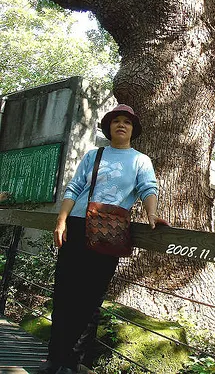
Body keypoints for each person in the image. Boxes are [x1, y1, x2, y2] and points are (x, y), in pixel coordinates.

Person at [38, 104, 168, 374]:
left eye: (127, 122)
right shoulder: (94, 155)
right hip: (76, 225)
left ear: (133, 129)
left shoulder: (140, 160)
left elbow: (148, 188)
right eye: (116, 121)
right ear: (108, 127)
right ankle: (54, 358)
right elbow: (74, 186)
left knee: (90, 297)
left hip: (111, 233)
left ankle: (73, 360)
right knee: (64, 293)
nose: (121, 125)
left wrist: (152, 214)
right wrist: (61, 220)